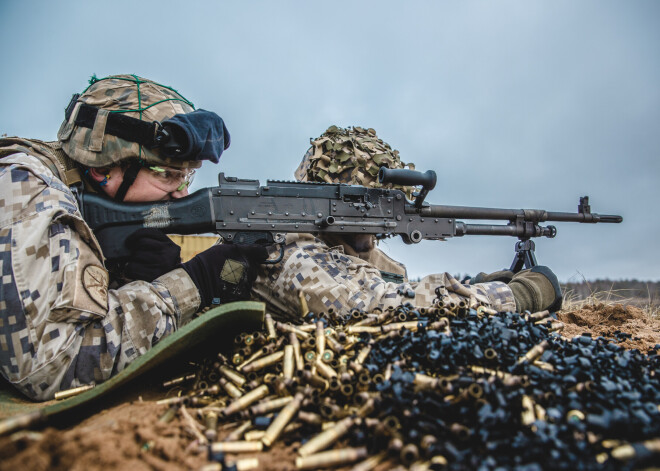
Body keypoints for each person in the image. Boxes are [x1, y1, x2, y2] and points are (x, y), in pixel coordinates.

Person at [0, 74, 267, 400]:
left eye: (187, 175)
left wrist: (129, 281)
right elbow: (50, 366)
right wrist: (189, 284)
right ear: (103, 168)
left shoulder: (82, 191)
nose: (182, 194)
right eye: (168, 174)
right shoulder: (25, 191)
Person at [252, 126, 562, 322]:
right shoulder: (290, 252)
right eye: (377, 202)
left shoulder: (358, 254)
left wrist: (472, 289)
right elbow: (386, 308)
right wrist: (519, 296)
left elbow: (392, 289)